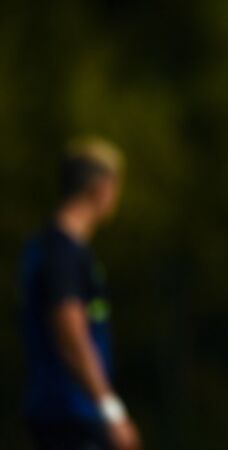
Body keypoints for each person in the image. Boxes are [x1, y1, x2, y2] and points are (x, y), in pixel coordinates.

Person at [19, 136, 140, 450]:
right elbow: (70, 332)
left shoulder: (48, 247)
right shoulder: (64, 254)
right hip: (72, 413)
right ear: (100, 187)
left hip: (57, 411)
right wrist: (110, 409)